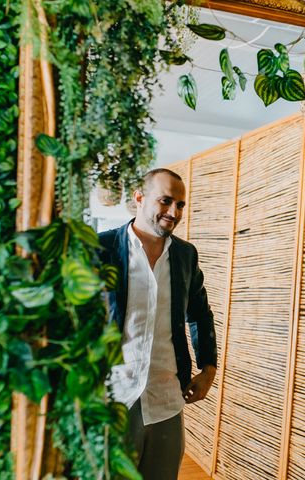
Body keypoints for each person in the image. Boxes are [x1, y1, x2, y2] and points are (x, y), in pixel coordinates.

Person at [99, 168, 217, 480]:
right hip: (111, 395)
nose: (174, 212)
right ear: (139, 198)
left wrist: (208, 368)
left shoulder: (185, 255)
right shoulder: (101, 249)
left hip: (166, 397)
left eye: (180, 205)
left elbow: (200, 314)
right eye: (165, 201)